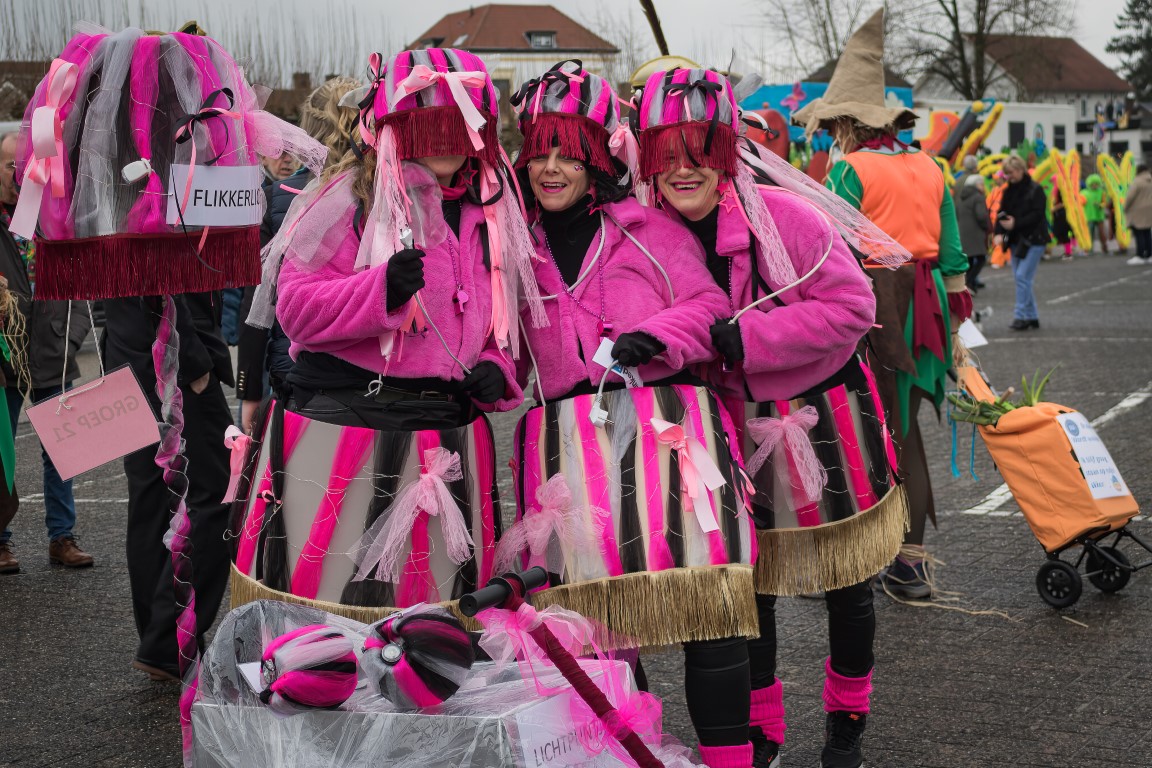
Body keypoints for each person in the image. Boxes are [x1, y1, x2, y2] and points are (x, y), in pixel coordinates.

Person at [637, 65, 908, 768]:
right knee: (750, 595)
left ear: (726, 152)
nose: (683, 170)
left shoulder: (791, 217)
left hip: (825, 415)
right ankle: (763, 734)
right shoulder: (650, 234)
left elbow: (854, 308)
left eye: (699, 152)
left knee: (847, 585)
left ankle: (847, 721)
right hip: (727, 427)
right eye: (668, 155)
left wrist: (751, 338)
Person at [501, 61, 756, 768]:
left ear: (598, 159)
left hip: (668, 435)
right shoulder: (512, 247)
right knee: (593, 634)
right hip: (566, 451)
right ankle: (634, 757)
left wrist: (660, 335)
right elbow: (500, 349)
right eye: (540, 153)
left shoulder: (650, 231)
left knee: (709, 618)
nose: (552, 169)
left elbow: (710, 306)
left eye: (569, 154)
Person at [233, 48, 541, 611]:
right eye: (429, 123)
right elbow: (294, 309)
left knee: (434, 626)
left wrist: (496, 368)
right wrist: (381, 292)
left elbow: (501, 323)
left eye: (458, 123)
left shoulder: (491, 210)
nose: (446, 138)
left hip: (446, 442)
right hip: (348, 431)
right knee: (337, 619)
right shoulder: (347, 199)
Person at [793, 8, 972, 603]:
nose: (829, 135)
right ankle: (909, 562)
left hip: (876, 308)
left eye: (833, 126)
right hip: (930, 310)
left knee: (860, 429)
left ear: (847, 123)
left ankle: (859, 559)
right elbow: (952, 257)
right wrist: (955, 328)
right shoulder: (930, 165)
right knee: (906, 431)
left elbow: (828, 246)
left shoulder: (850, 169)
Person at [236, 76, 361, 434]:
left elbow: (257, 301)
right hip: (370, 370)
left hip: (294, 365)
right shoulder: (385, 192)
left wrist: (249, 390)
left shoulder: (278, 196)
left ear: (307, 130)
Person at [0, 132, 94, 570]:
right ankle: (0, 539)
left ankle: (62, 537)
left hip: (54, 351)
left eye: (23, 166)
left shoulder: (52, 219)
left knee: (62, 451)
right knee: (2, 452)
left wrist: (69, 338)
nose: (18, 175)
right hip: (5, 357)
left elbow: (82, 285)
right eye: (9, 166)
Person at [995, 155, 1049, 328]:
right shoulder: (1008, 191)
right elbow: (1001, 212)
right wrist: (998, 232)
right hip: (1016, 240)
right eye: (1007, 173)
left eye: (1010, 173)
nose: (1008, 176)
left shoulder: (1036, 189)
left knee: (1021, 277)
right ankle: (1032, 316)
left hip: (1034, 240)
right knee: (1023, 279)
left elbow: (1038, 214)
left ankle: (1021, 316)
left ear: (1020, 170)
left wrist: (1015, 223)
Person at [956, 172, 990, 293]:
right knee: (981, 259)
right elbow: (981, 215)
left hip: (963, 233)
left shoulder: (962, 197)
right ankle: (969, 283)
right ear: (977, 185)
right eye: (982, 184)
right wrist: (987, 226)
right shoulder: (978, 197)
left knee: (969, 260)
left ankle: (969, 284)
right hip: (976, 233)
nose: (983, 187)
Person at [1124, 164, 1152, 265]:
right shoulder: (1150, 180)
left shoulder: (1137, 181)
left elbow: (1130, 197)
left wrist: (1125, 208)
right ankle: (1149, 255)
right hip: (1149, 210)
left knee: (1139, 233)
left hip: (1137, 211)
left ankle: (1140, 255)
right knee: (1147, 233)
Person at [1083, 174, 1111, 254]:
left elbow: (1105, 203)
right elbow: (1081, 202)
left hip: (1099, 216)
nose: (1094, 185)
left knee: (1102, 233)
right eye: (1093, 184)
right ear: (1089, 184)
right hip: (1089, 216)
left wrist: (1100, 205)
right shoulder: (1084, 193)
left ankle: (1104, 248)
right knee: (1089, 234)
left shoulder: (1102, 192)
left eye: (1096, 184)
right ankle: (1089, 249)